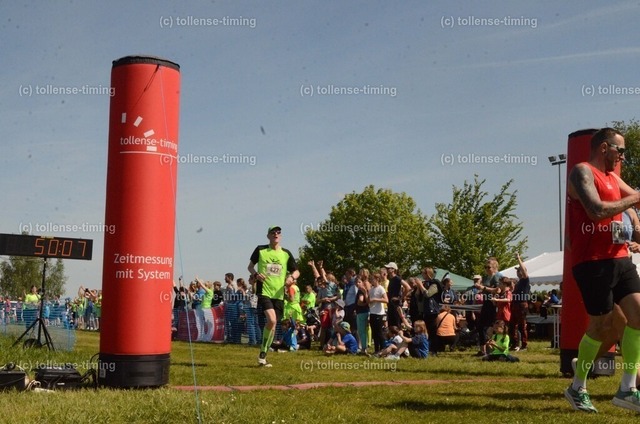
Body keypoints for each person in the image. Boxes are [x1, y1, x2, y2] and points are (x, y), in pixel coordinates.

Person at [564, 127, 640, 413]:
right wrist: (634, 199)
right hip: (592, 262)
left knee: (639, 315)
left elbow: (635, 198)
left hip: (619, 257)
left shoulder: (613, 177)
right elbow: (596, 210)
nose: (623, 156)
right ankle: (577, 387)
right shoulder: (582, 172)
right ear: (604, 147)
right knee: (602, 326)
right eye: (621, 150)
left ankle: (627, 389)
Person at [248, 225, 300, 367]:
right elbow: (250, 267)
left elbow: (297, 271)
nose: (276, 234)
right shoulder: (260, 250)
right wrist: (256, 275)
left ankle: (263, 355)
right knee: (271, 320)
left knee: (273, 325)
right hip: (264, 291)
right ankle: (263, 354)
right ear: (268, 236)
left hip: (279, 294)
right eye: (273, 232)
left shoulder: (286, 253)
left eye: (278, 232)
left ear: (280, 236)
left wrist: (291, 278)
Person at [510, 253, 530, 351]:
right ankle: (514, 344)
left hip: (521, 304)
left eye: (519, 270)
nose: (518, 272)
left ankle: (524, 345)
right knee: (512, 325)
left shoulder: (525, 281)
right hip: (515, 304)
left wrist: (518, 258)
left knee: (522, 326)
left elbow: (524, 272)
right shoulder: (518, 282)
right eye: (517, 271)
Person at [385, 262, 412, 329]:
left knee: (397, 325)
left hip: (395, 305)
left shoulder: (397, 278)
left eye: (388, 268)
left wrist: (401, 298)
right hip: (391, 305)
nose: (387, 269)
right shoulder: (391, 279)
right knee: (391, 326)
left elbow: (408, 287)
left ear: (393, 269)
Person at [369, 271, 388, 354]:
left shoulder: (381, 288)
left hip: (379, 313)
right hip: (372, 312)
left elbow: (386, 300)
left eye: (372, 279)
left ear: (377, 279)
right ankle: (376, 350)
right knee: (374, 332)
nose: (371, 280)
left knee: (379, 332)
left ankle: (383, 349)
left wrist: (375, 299)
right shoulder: (371, 289)